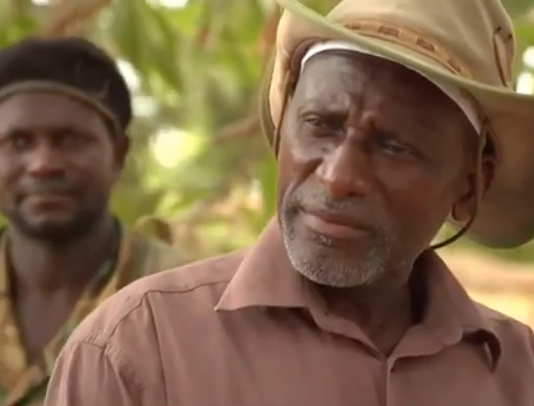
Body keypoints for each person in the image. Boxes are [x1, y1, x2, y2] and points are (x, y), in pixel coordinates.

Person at [45, 0, 534, 404]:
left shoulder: (521, 374)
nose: (338, 178)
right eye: (321, 124)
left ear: (470, 184)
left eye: (394, 146)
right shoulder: (137, 350)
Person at [0, 37, 189, 405]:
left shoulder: (181, 302)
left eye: (69, 140)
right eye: (19, 142)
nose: (43, 164)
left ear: (117, 153)